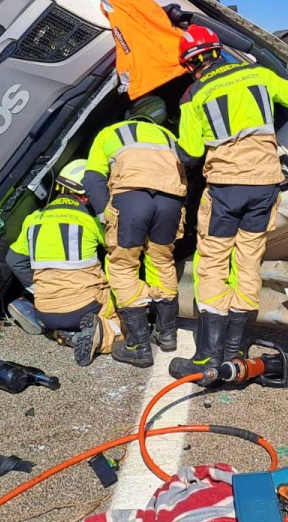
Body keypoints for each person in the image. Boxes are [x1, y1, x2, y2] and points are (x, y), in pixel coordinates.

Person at [168, 24, 288, 379]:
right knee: (248, 263)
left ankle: (207, 357)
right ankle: (237, 354)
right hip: (265, 185)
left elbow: (189, 153)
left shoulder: (194, 95)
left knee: (213, 264)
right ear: (217, 50)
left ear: (190, 65)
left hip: (226, 189)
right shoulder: (259, 74)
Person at [82, 95, 186, 369]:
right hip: (170, 202)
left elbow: (92, 177)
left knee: (123, 266)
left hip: (130, 200)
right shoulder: (166, 135)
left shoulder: (109, 133)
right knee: (162, 262)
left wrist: (105, 210)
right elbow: (183, 175)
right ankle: (167, 335)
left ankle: (138, 344)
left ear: (131, 115)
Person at [4, 159, 124, 367]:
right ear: (86, 195)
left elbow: (13, 259)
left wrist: (37, 289)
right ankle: (103, 334)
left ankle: (62, 334)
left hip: (45, 309)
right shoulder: (91, 221)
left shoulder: (34, 219)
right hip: (87, 305)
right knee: (131, 318)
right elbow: (121, 250)